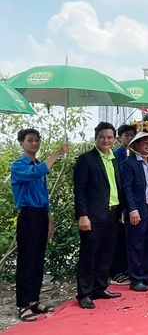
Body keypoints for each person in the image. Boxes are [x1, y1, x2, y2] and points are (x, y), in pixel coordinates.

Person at [11, 129, 68, 322]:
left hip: (41, 215)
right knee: (26, 260)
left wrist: (50, 220)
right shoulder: (19, 165)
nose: (34, 144)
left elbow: (45, 197)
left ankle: (34, 300)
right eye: (30, 140)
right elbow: (38, 172)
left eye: (37, 140)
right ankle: (23, 304)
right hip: (28, 215)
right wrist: (58, 153)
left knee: (38, 259)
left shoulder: (37, 163)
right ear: (21, 143)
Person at [73, 122, 123, 309]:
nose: (106, 140)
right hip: (92, 216)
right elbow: (79, 190)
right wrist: (82, 215)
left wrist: (122, 210)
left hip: (112, 212)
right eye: (102, 137)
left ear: (114, 139)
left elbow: (117, 186)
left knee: (106, 253)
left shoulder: (114, 158)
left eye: (110, 137)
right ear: (96, 138)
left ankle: (100, 287)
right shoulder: (86, 159)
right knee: (89, 255)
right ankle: (84, 293)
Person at [120, 131, 148, 292]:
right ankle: (136, 279)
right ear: (136, 145)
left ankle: (147, 275)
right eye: (144, 142)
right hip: (138, 210)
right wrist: (132, 209)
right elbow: (126, 188)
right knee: (135, 244)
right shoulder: (129, 163)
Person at [109, 124, 136, 286]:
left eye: (132, 135)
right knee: (118, 239)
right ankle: (116, 271)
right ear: (119, 138)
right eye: (126, 135)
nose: (130, 138)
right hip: (119, 202)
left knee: (128, 238)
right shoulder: (117, 155)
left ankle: (127, 269)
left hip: (131, 202)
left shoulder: (134, 155)